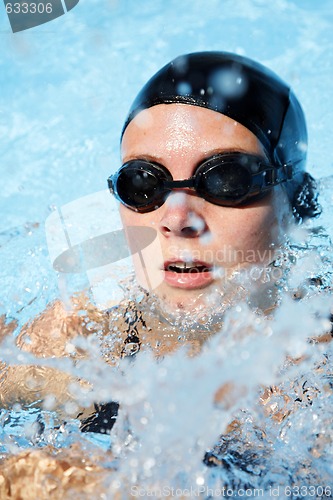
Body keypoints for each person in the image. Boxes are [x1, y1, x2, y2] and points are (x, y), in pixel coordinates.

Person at [0, 52, 330, 492]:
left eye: (226, 180)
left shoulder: (316, 381)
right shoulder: (82, 335)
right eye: (144, 184)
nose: (176, 218)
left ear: (296, 205)